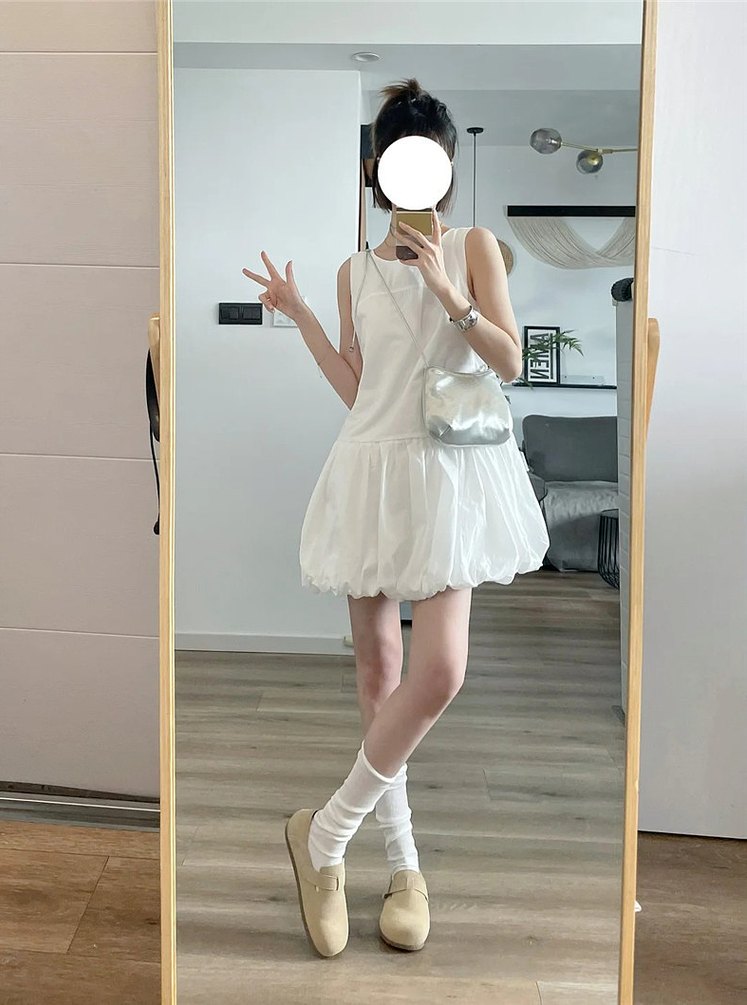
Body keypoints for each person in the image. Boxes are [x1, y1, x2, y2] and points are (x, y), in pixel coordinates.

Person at [242, 78, 550, 958]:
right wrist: (303, 314)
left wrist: (448, 288)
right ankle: (404, 865)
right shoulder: (354, 270)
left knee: (439, 669)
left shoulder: (476, 246)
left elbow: (510, 360)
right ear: (378, 168)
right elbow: (358, 389)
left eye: (433, 159)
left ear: (445, 168)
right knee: (380, 670)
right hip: (371, 469)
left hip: (450, 475)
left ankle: (324, 835)